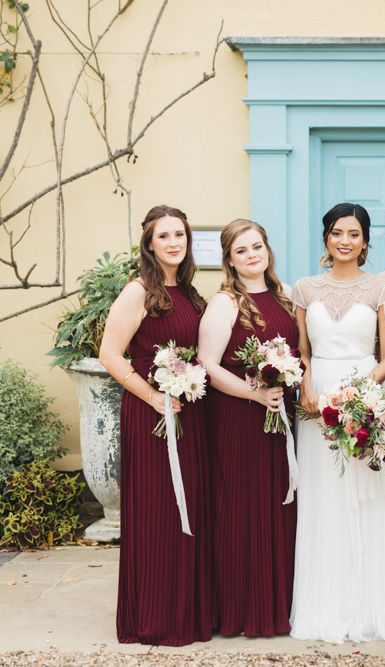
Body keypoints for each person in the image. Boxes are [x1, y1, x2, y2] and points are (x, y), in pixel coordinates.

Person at [289, 203, 385, 643]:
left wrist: (357, 394)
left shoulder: (382, 289)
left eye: (354, 234)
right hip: (316, 401)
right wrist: (306, 387)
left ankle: (371, 608)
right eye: (337, 232)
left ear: (364, 241)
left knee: (366, 498)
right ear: (326, 237)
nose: (345, 241)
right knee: (323, 498)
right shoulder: (303, 289)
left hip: (365, 396)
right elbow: (302, 350)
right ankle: (324, 606)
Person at [99, 205, 212, 646]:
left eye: (179, 234)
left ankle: (188, 611)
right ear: (148, 244)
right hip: (151, 415)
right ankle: (154, 616)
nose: (173, 242)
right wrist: (152, 398)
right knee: (158, 513)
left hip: (189, 413)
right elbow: (110, 354)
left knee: (190, 508)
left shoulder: (189, 293)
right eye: (163, 236)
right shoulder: (138, 291)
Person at [198, 219, 297, 637]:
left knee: (279, 508)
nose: (252, 255)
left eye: (257, 246)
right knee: (242, 510)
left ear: (267, 249)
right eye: (242, 250)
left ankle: (279, 605)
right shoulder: (224, 304)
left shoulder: (286, 294)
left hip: (281, 419)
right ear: (230, 260)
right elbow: (208, 364)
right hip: (239, 420)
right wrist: (253, 394)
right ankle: (242, 610)